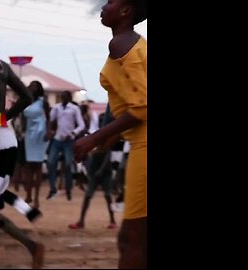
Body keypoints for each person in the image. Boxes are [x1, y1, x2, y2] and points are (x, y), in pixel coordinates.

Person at [73, 1, 147, 268]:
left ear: (126, 10)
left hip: (144, 146)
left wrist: (95, 137)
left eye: (111, 2)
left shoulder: (121, 44)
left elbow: (141, 108)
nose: (103, 6)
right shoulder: (134, 43)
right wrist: (111, 137)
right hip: (139, 141)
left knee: (131, 241)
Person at [0, 28, 42, 266]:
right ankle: (31, 245)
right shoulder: (2, 67)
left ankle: (31, 244)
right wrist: (5, 117)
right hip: (5, 138)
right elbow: (26, 97)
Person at [69, 113, 117, 230]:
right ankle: (81, 221)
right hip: (96, 171)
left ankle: (112, 220)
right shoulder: (97, 135)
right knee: (89, 195)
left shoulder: (105, 136)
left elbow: (107, 156)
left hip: (105, 172)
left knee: (107, 196)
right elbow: (92, 155)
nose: (101, 122)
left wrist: (99, 170)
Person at [46, 91, 85, 201]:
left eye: (65, 96)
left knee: (68, 165)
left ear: (69, 98)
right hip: (57, 138)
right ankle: (52, 188)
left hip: (69, 140)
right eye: (62, 96)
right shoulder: (57, 107)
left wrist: (73, 133)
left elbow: (81, 125)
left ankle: (68, 189)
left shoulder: (74, 108)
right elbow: (50, 119)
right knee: (50, 162)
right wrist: (50, 131)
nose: (63, 98)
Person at [22, 81, 50, 209]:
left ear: (39, 89)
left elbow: (49, 118)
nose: (33, 87)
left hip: (40, 132)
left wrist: (49, 131)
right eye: (31, 85)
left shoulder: (43, 102)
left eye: (36, 86)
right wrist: (22, 130)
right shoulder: (25, 99)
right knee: (28, 165)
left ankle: (37, 197)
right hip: (28, 133)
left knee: (37, 164)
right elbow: (22, 116)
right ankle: (28, 195)